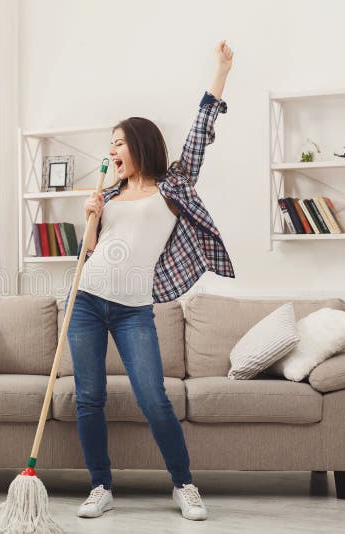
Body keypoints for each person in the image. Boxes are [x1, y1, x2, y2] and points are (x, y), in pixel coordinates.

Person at [64, 40, 235, 522]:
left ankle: (184, 484)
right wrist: (92, 217)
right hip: (85, 300)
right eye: (110, 144)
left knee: (153, 398)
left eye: (118, 142)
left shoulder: (174, 186)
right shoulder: (108, 193)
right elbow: (89, 254)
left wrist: (220, 70)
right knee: (89, 398)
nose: (112, 150)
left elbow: (202, 131)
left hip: (134, 307)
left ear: (139, 145)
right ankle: (100, 486)